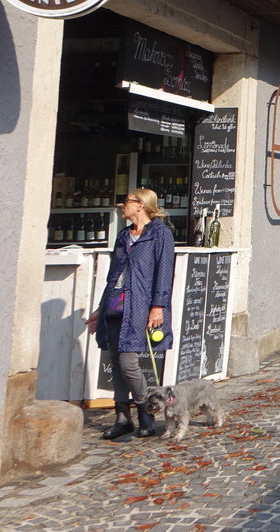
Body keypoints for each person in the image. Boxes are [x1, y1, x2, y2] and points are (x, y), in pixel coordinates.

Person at [86, 188, 175, 439]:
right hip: (115, 305)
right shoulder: (124, 235)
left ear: (140, 206)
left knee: (129, 363)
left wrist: (158, 306)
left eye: (126, 202)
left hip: (139, 305)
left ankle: (147, 414)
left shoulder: (160, 234)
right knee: (116, 363)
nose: (121, 206)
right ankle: (123, 419)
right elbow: (113, 276)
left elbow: (164, 273)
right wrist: (99, 308)